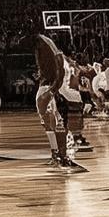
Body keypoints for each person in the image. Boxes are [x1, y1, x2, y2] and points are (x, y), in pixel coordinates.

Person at [26, 33, 80, 169]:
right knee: (52, 124)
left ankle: (60, 154)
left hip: (50, 91)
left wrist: (52, 91)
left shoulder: (56, 56)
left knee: (54, 124)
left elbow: (60, 75)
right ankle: (59, 154)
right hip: (52, 91)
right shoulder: (59, 57)